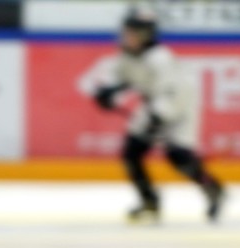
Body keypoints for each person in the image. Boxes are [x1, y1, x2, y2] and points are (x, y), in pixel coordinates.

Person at [82, 5, 224, 224]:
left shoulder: (160, 58)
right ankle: (149, 200)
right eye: (126, 32)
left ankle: (212, 188)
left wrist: (157, 118)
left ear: (145, 34)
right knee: (132, 152)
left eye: (131, 32)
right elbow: (121, 79)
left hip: (180, 107)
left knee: (179, 157)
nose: (126, 37)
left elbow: (173, 93)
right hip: (154, 105)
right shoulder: (127, 56)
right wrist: (109, 94)